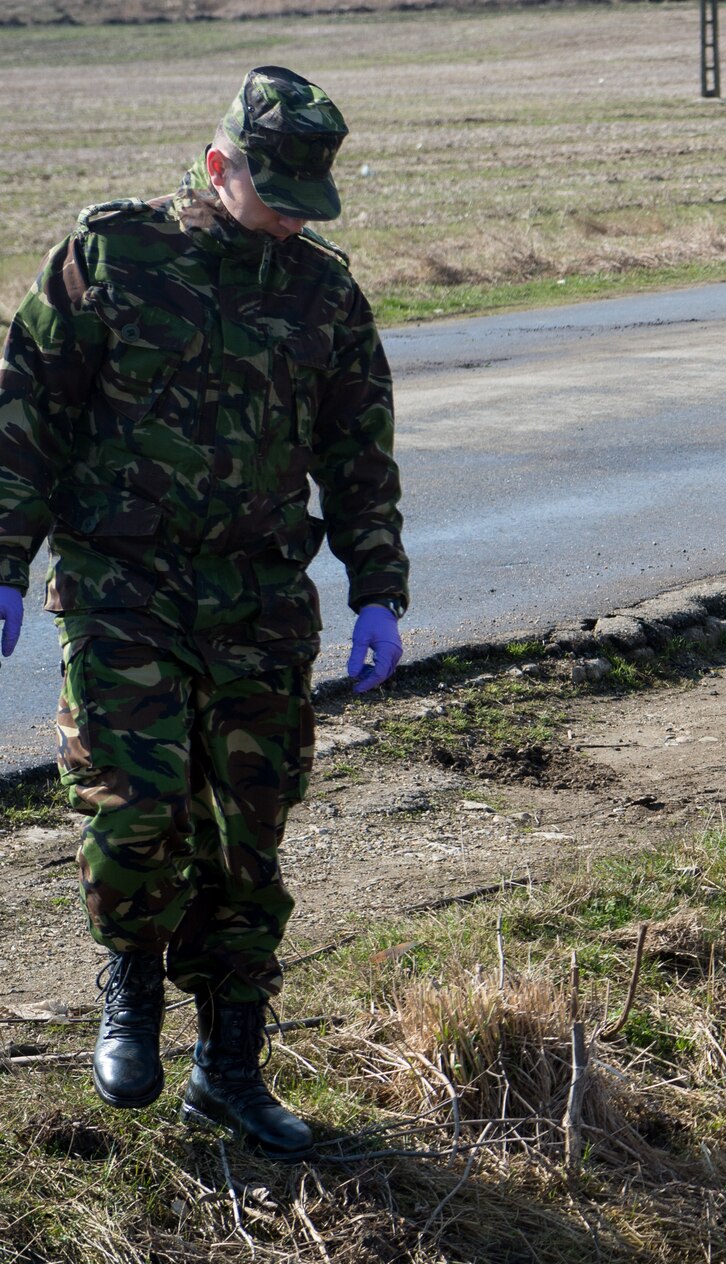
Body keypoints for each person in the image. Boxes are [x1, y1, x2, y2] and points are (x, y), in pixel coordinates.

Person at [0, 66, 409, 1160]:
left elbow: (357, 450)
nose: (289, 220)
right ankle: (131, 980)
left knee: (248, 842)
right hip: (121, 586)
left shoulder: (322, 291)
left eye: (305, 205)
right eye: (273, 194)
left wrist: (378, 588)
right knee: (135, 814)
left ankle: (228, 1068)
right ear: (219, 164)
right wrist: (3, 556)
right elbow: (26, 413)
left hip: (259, 601)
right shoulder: (110, 260)